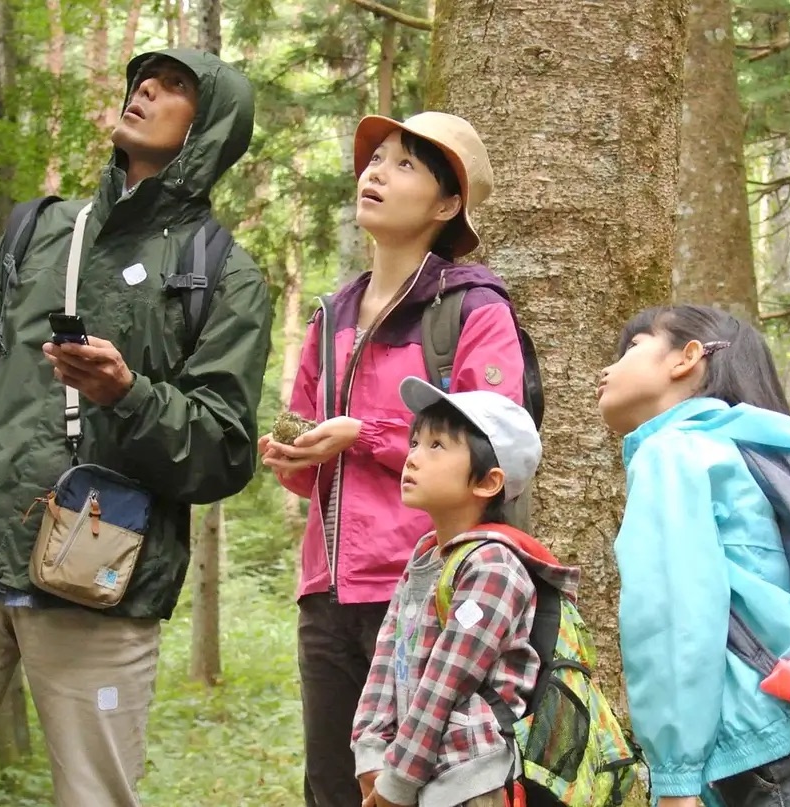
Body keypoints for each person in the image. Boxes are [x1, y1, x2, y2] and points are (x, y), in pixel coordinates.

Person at [0, 49, 271, 806]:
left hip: (101, 583)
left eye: (177, 86)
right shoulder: (41, 229)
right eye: (144, 78)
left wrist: (129, 395)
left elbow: (223, 449)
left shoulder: (225, 275)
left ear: (211, 127)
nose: (146, 89)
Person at [258, 111, 526, 807]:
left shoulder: (472, 308)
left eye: (405, 164)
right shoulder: (331, 315)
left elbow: (490, 440)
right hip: (326, 594)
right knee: (333, 788)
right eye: (376, 158)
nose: (376, 173)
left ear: (447, 204)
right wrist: (294, 453)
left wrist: (363, 433)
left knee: (427, 789)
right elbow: (309, 475)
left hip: (430, 590)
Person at [596, 304, 790, 807]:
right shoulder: (765, 452)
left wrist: (674, 775)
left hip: (767, 757)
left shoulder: (673, 452)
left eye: (633, 347)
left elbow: (673, 615)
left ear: (687, 358)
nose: (607, 368)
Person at [352, 376, 570, 807]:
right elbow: (387, 658)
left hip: (470, 781)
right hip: (414, 775)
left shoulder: (494, 565)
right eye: (415, 443)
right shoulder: (426, 557)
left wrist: (398, 780)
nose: (413, 457)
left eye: (436, 446)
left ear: (488, 482)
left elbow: (446, 683)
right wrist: (370, 752)